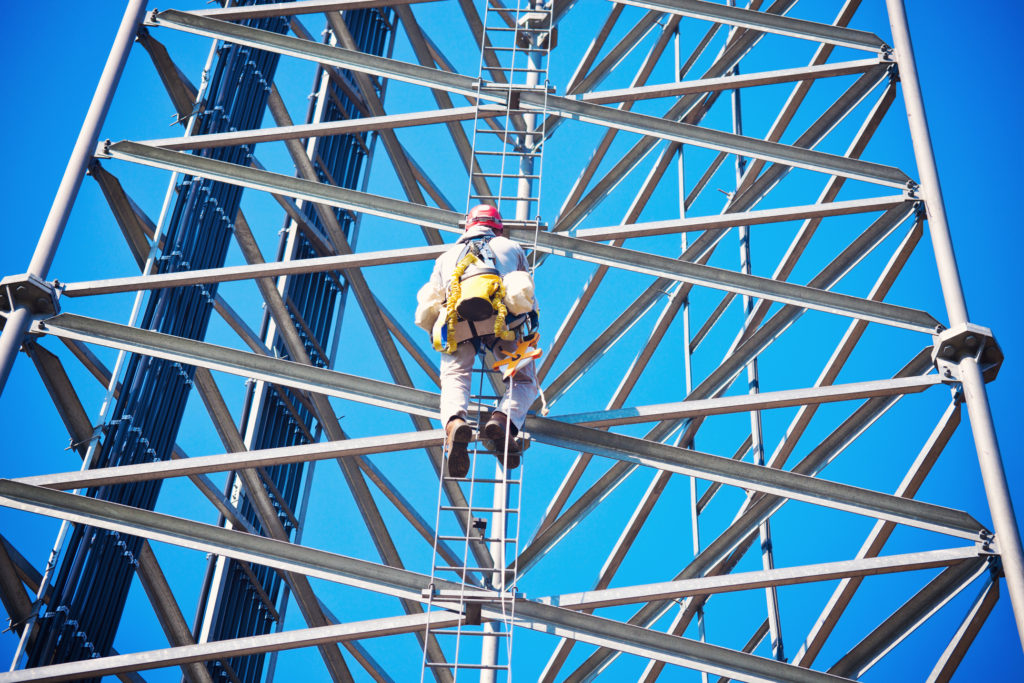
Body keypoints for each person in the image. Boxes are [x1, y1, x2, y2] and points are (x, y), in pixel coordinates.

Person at [415, 204, 540, 478]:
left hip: (457, 323)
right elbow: (527, 296)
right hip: (502, 321)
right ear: (498, 226)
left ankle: (455, 424)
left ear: (468, 226)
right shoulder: (511, 246)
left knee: (455, 375)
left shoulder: (445, 257)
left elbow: (432, 301)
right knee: (523, 381)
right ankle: (502, 421)